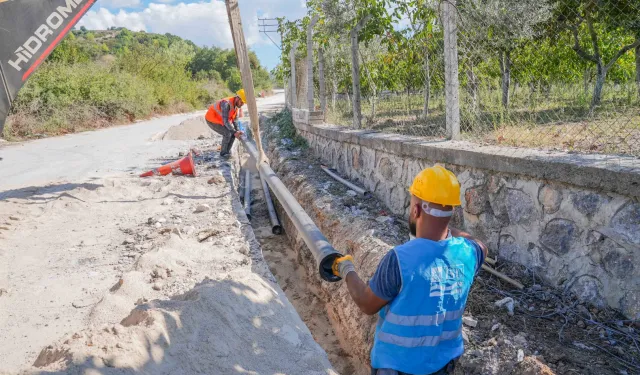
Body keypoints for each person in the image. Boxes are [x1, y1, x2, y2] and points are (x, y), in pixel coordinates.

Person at [332, 165, 488, 375]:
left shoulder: (400, 259)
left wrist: (345, 267)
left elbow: (367, 303)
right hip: (443, 365)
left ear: (416, 210)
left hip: (397, 367)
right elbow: (480, 244)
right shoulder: (469, 254)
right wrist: (447, 230)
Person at [205, 89, 246, 158]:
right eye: (241, 102)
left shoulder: (235, 106)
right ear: (237, 98)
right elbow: (226, 121)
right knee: (227, 133)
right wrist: (234, 131)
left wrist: (237, 130)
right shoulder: (226, 104)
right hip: (211, 120)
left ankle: (227, 151)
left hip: (220, 120)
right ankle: (223, 153)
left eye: (243, 103)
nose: (242, 104)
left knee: (233, 134)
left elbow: (235, 120)